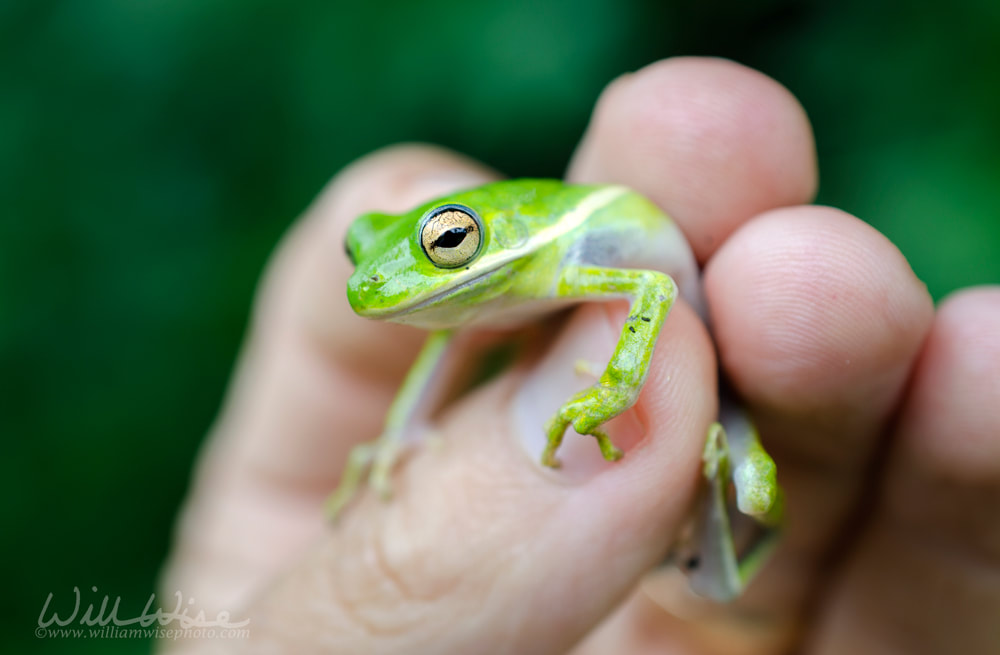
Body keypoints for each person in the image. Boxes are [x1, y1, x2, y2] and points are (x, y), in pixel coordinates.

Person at [159, 58, 1000, 654]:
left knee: (754, 484)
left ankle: (723, 552)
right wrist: (398, 434)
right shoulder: (478, 296)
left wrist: (616, 387)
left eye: (445, 240)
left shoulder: (551, 257)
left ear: (478, 239)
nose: (376, 276)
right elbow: (448, 345)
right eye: (362, 251)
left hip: (689, 310)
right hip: (675, 352)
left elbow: (651, 293)